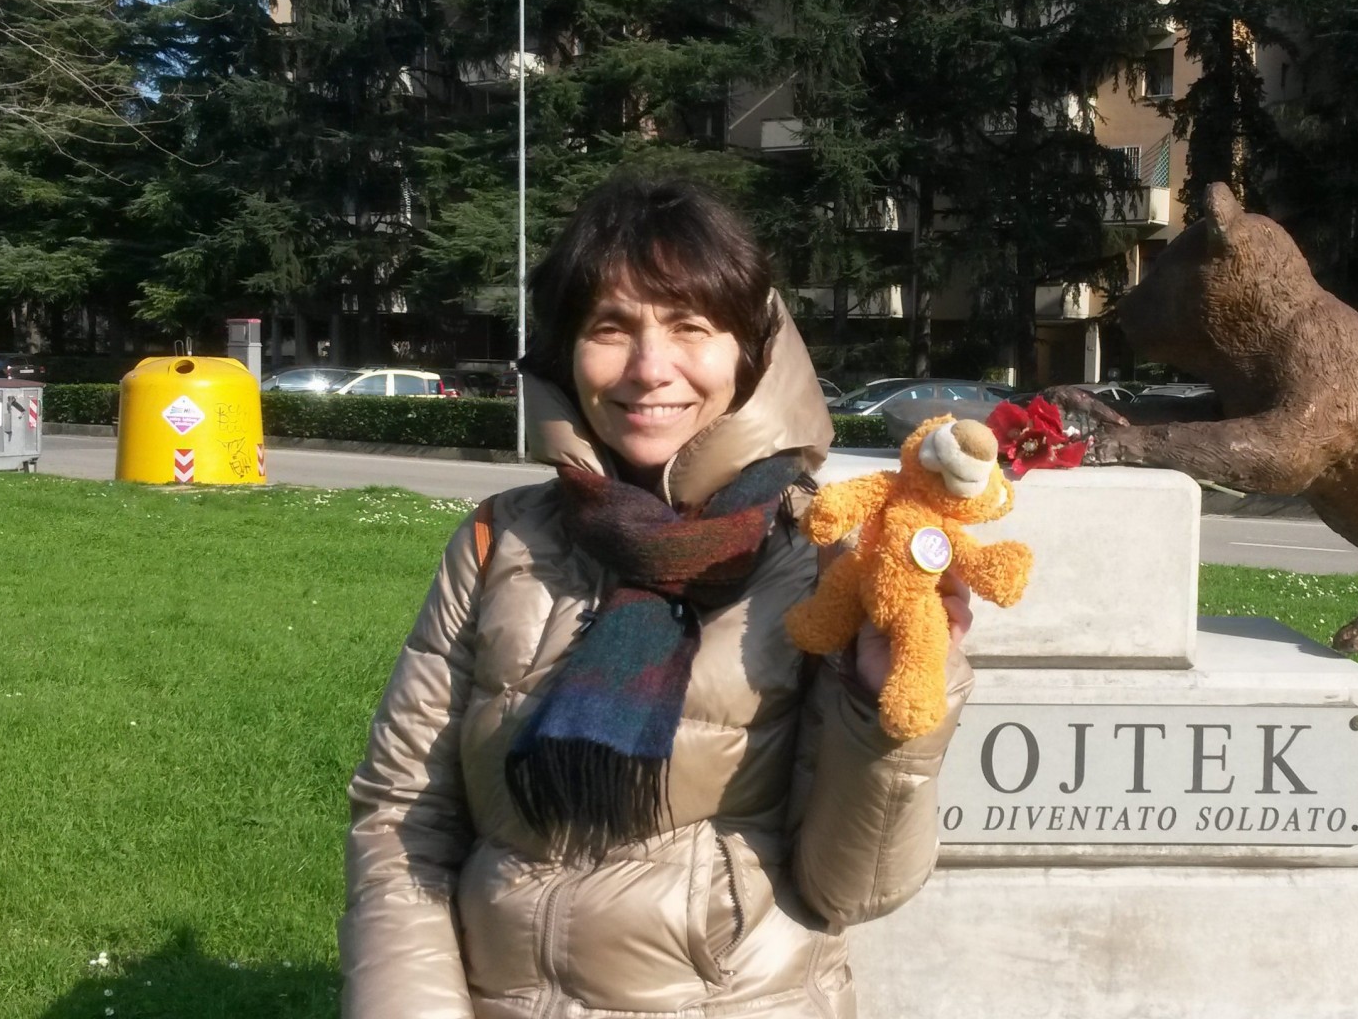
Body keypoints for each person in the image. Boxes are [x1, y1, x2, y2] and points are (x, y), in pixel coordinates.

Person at [339, 177, 973, 1018]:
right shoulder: (499, 540)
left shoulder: (824, 557)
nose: (648, 369)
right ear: (567, 349)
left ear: (751, 353)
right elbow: (402, 822)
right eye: (610, 328)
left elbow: (852, 889)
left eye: (690, 327)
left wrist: (888, 707)